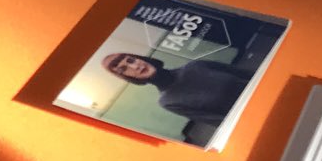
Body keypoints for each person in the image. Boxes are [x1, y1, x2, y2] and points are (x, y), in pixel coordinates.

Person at [102, 51, 245, 144]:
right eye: (124, 69)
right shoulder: (168, 102)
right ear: (128, 77)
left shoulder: (196, 66)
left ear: (141, 58)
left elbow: (248, 74)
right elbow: (220, 122)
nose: (134, 67)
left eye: (131, 60)